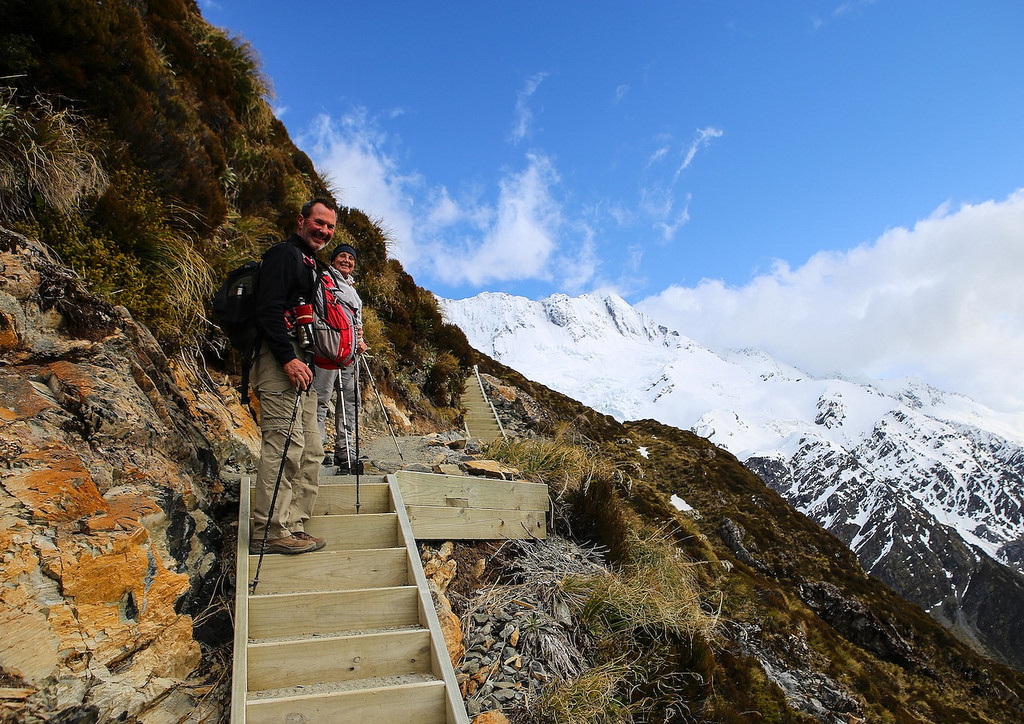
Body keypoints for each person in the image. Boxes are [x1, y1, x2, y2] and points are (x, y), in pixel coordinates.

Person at [249, 197, 337, 554]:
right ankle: (267, 530)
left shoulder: (311, 263)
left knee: (312, 450)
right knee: (285, 445)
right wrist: (287, 359)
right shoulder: (284, 255)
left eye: (330, 226)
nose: (324, 231)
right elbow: (267, 307)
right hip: (278, 359)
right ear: (301, 221)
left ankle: (293, 522)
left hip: (302, 364)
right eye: (319, 223)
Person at [312, 242, 367, 470]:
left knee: (349, 401)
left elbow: (356, 320)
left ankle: (345, 450)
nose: (347, 261)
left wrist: (360, 338)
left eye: (350, 258)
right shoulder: (324, 281)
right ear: (334, 259)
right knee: (321, 399)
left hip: (349, 353)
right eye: (342, 256)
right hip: (328, 349)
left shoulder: (351, 288)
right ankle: (315, 449)